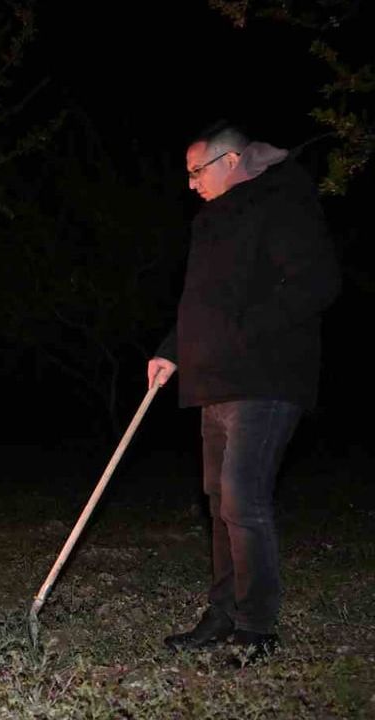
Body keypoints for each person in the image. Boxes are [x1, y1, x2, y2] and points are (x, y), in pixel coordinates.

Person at [149, 122, 340, 664]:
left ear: (230, 160)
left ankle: (258, 627)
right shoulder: (211, 220)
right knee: (218, 502)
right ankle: (224, 613)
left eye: (196, 171)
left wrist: (241, 333)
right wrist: (171, 348)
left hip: (266, 378)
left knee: (241, 497)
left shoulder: (280, 201)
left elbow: (317, 281)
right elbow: (202, 301)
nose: (190, 185)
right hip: (215, 380)